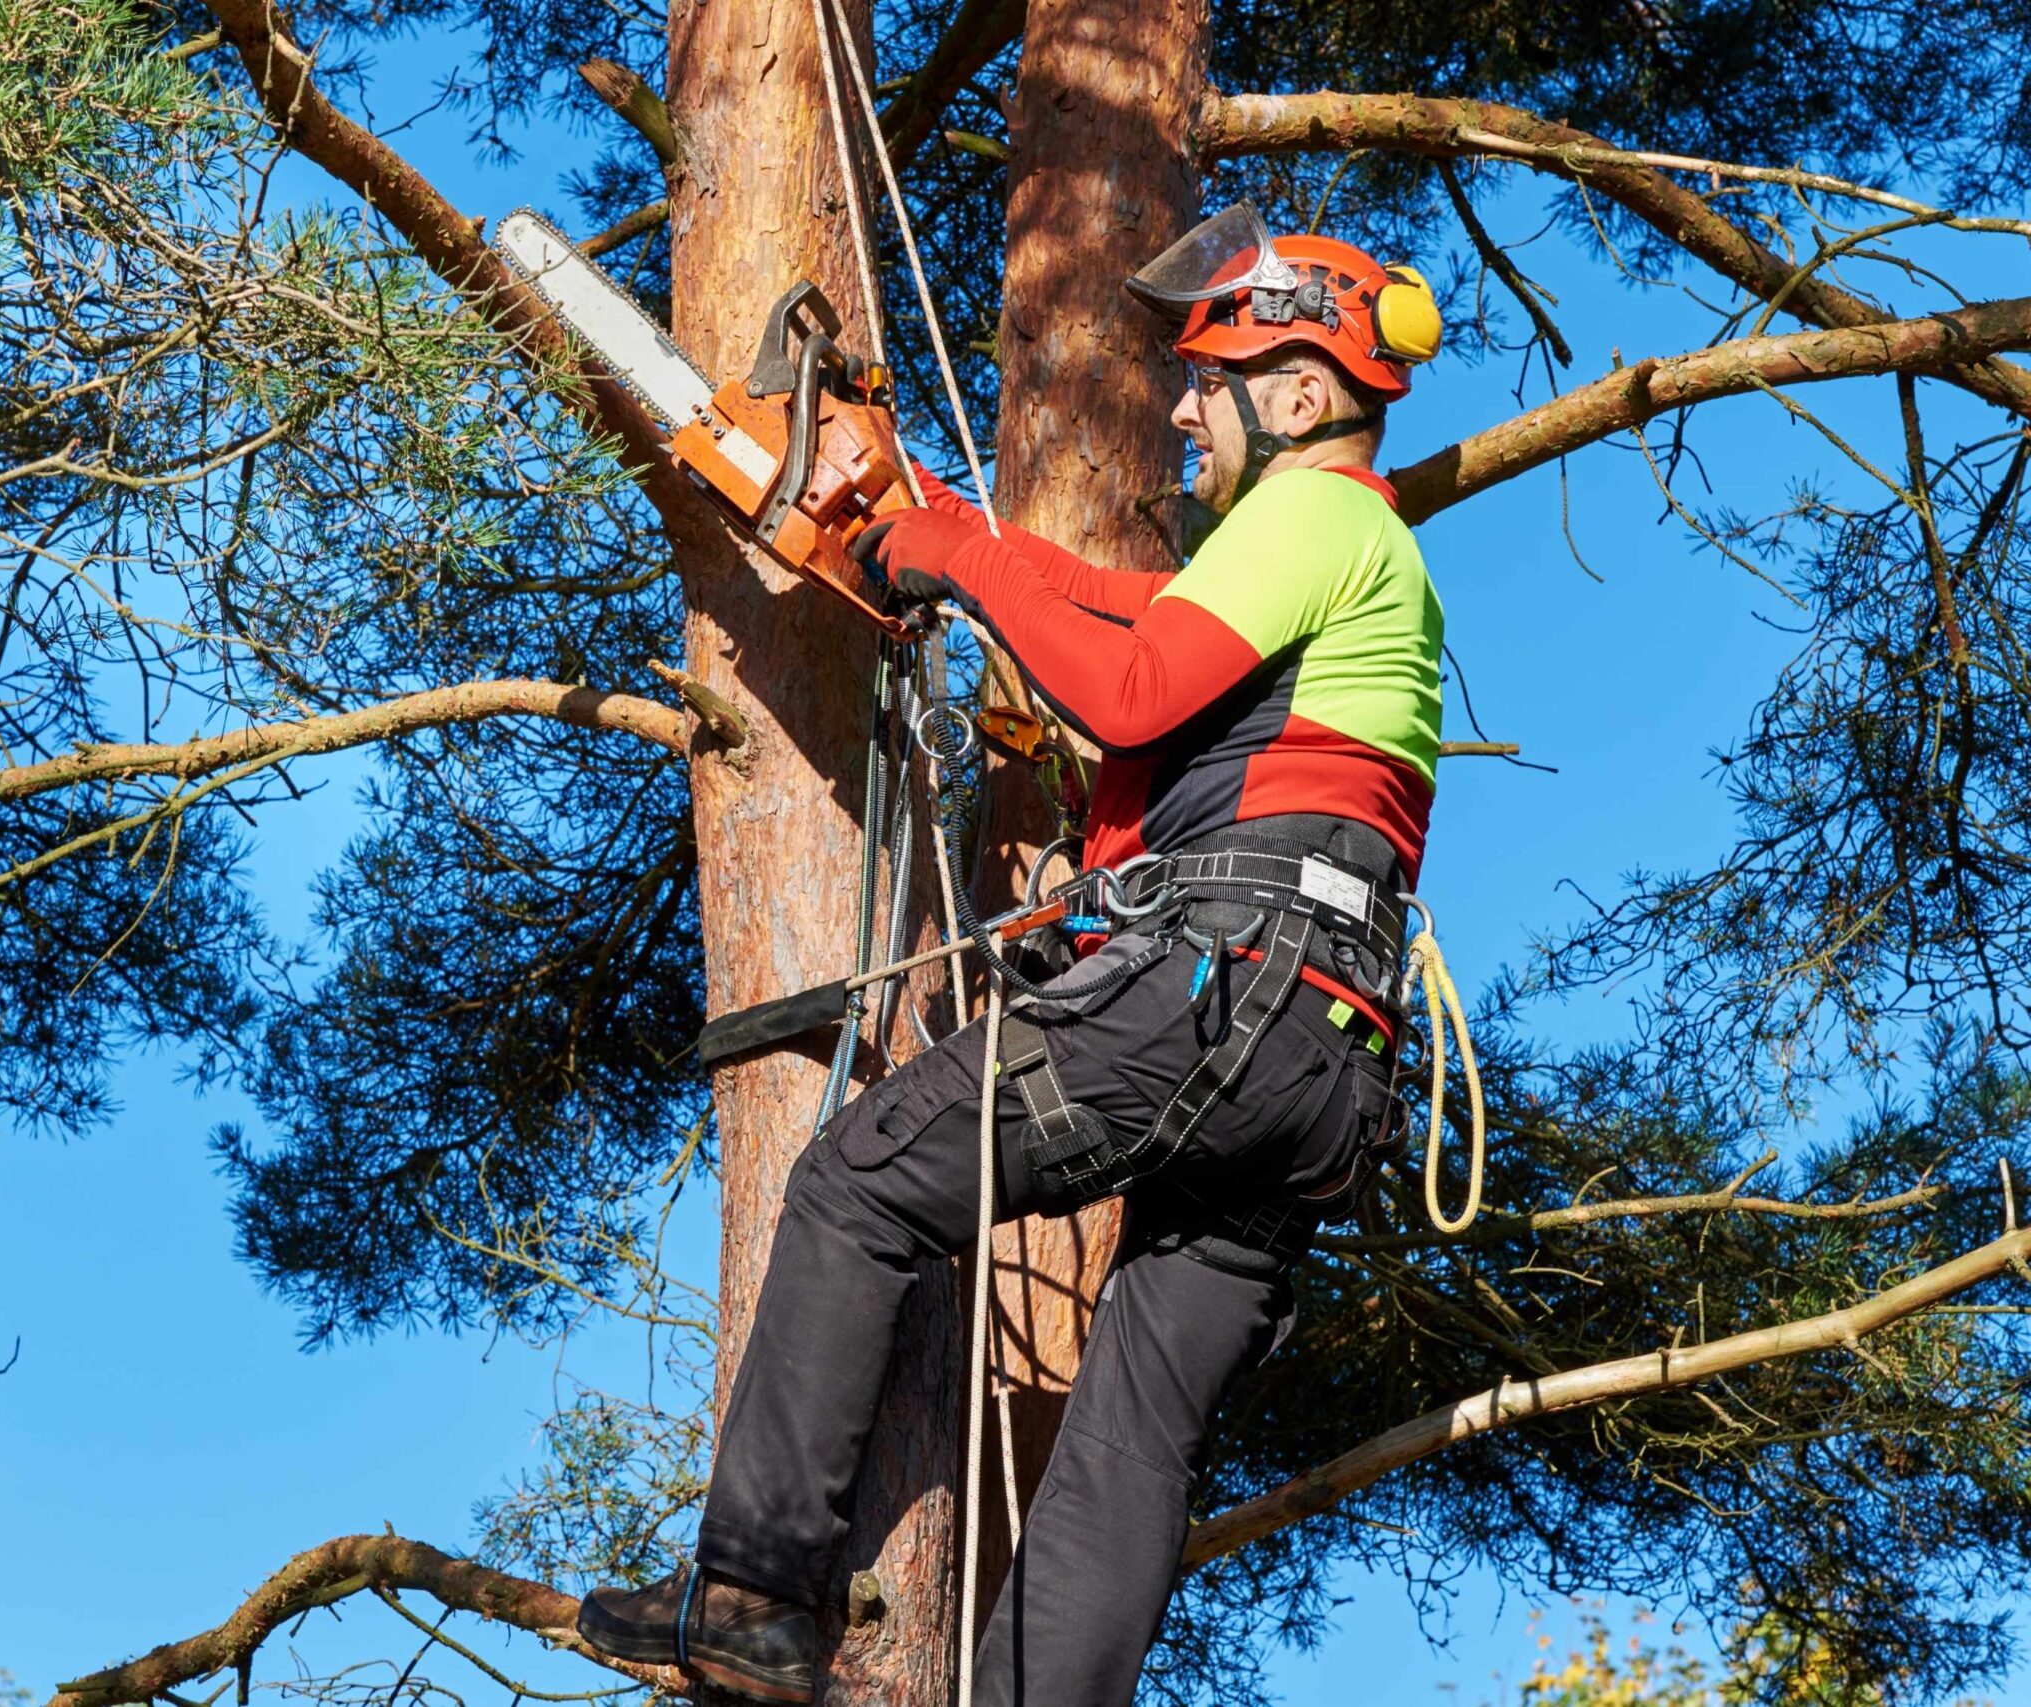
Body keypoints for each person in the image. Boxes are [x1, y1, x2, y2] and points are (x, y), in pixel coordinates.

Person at [577, 205, 1449, 1706]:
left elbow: (1125, 684)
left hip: (1220, 994)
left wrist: (960, 563)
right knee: (1132, 1434)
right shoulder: (1346, 566)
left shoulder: (1318, 512)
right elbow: (1129, 615)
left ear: (1305, 397)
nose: (1181, 408)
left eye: (1211, 378)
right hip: (1326, 1066)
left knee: (857, 1181)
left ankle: (754, 1596)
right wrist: (956, 538)